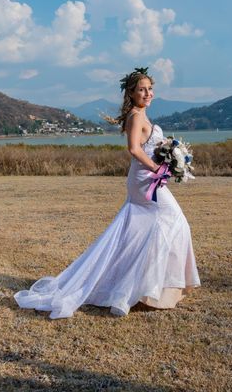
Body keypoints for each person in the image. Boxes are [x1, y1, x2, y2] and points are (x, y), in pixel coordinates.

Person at [14, 67, 200, 319]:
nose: (147, 93)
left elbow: (150, 147)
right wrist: (157, 167)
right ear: (131, 93)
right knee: (174, 221)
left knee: (151, 230)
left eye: (149, 89)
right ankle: (145, 289)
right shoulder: (135, 116)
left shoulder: (143, 115)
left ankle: (149, 289)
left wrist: (171, 161)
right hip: (144, 180)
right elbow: (134, 149)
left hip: (151, 178)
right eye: (142, 89)